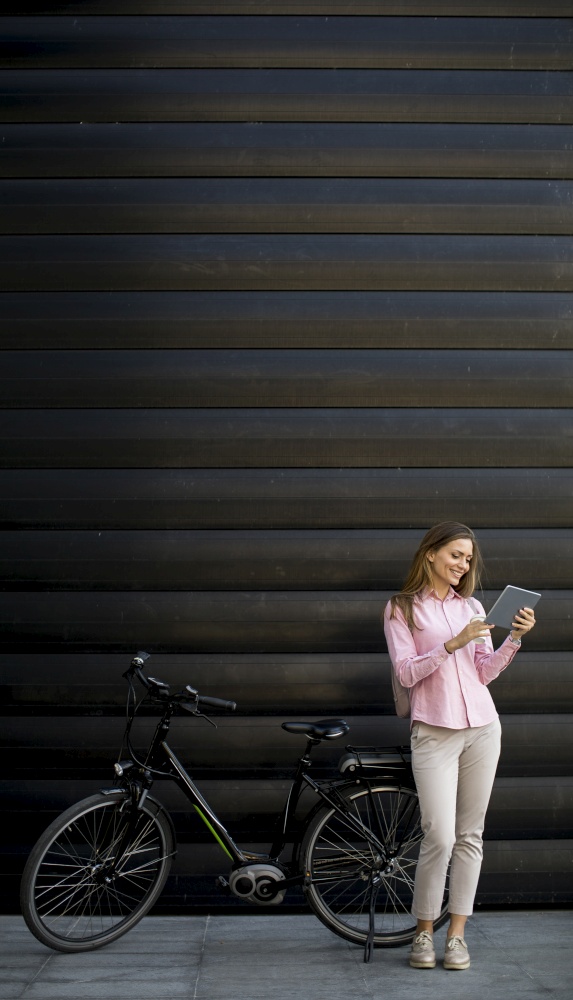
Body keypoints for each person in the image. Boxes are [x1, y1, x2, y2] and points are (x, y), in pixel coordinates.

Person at [383, 522, 536, 971]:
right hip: (433, 730)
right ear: (430, 553)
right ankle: (423, 932)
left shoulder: (472, 605)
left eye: (468, 558)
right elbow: (407, 673)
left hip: (483, 729)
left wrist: (515, 638)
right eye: (455, 555)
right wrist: (453, 643)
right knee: (440, 835)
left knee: (471, 837)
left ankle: (456, 937)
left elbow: (484, 672)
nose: (463, 564)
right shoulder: (402, 609)